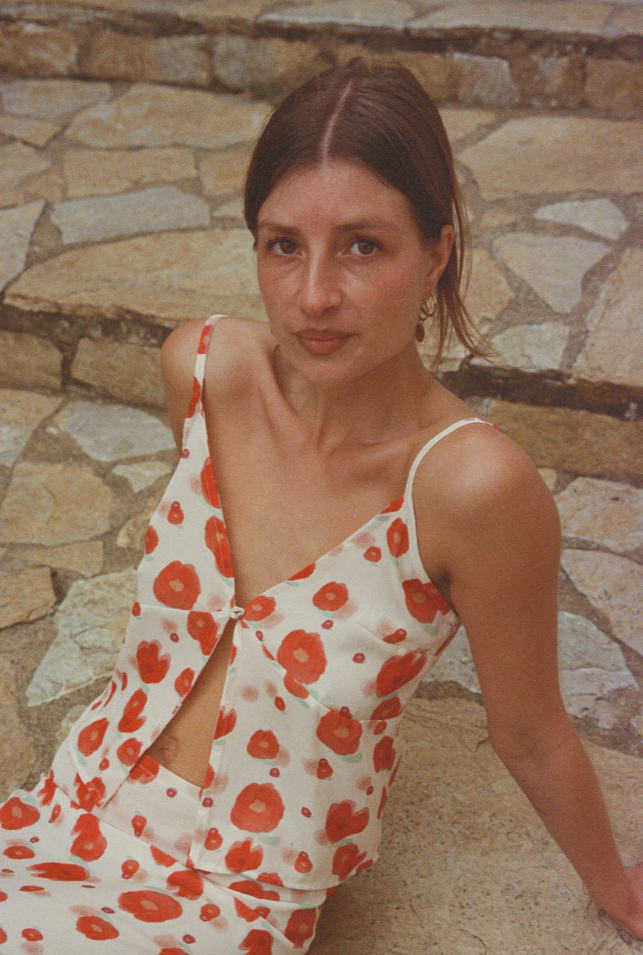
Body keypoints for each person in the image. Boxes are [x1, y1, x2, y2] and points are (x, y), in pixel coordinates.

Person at [0, 58, 642, 954]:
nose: (313, 296)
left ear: (436, 254)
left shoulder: (469, 487)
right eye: (282, 245)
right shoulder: (205, 370)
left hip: (232, 888)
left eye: (362, 245)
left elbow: (531, 733)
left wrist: (616, 887)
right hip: (68, 806)